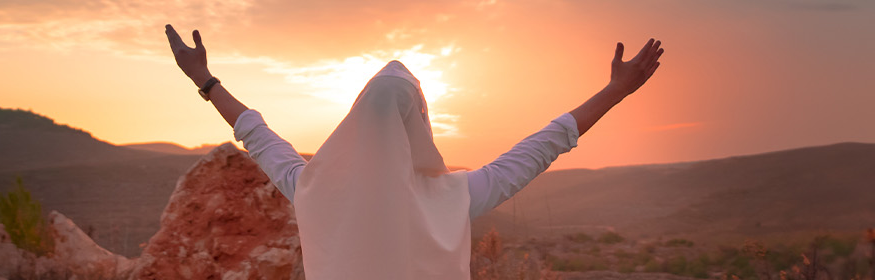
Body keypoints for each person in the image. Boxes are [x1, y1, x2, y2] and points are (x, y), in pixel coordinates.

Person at [162, 24, 663, 279]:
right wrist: (615, 93)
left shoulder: (313, 189)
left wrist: (204, 80)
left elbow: (257, 133)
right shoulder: (454, 196)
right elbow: (540, 147)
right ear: (420, 125)